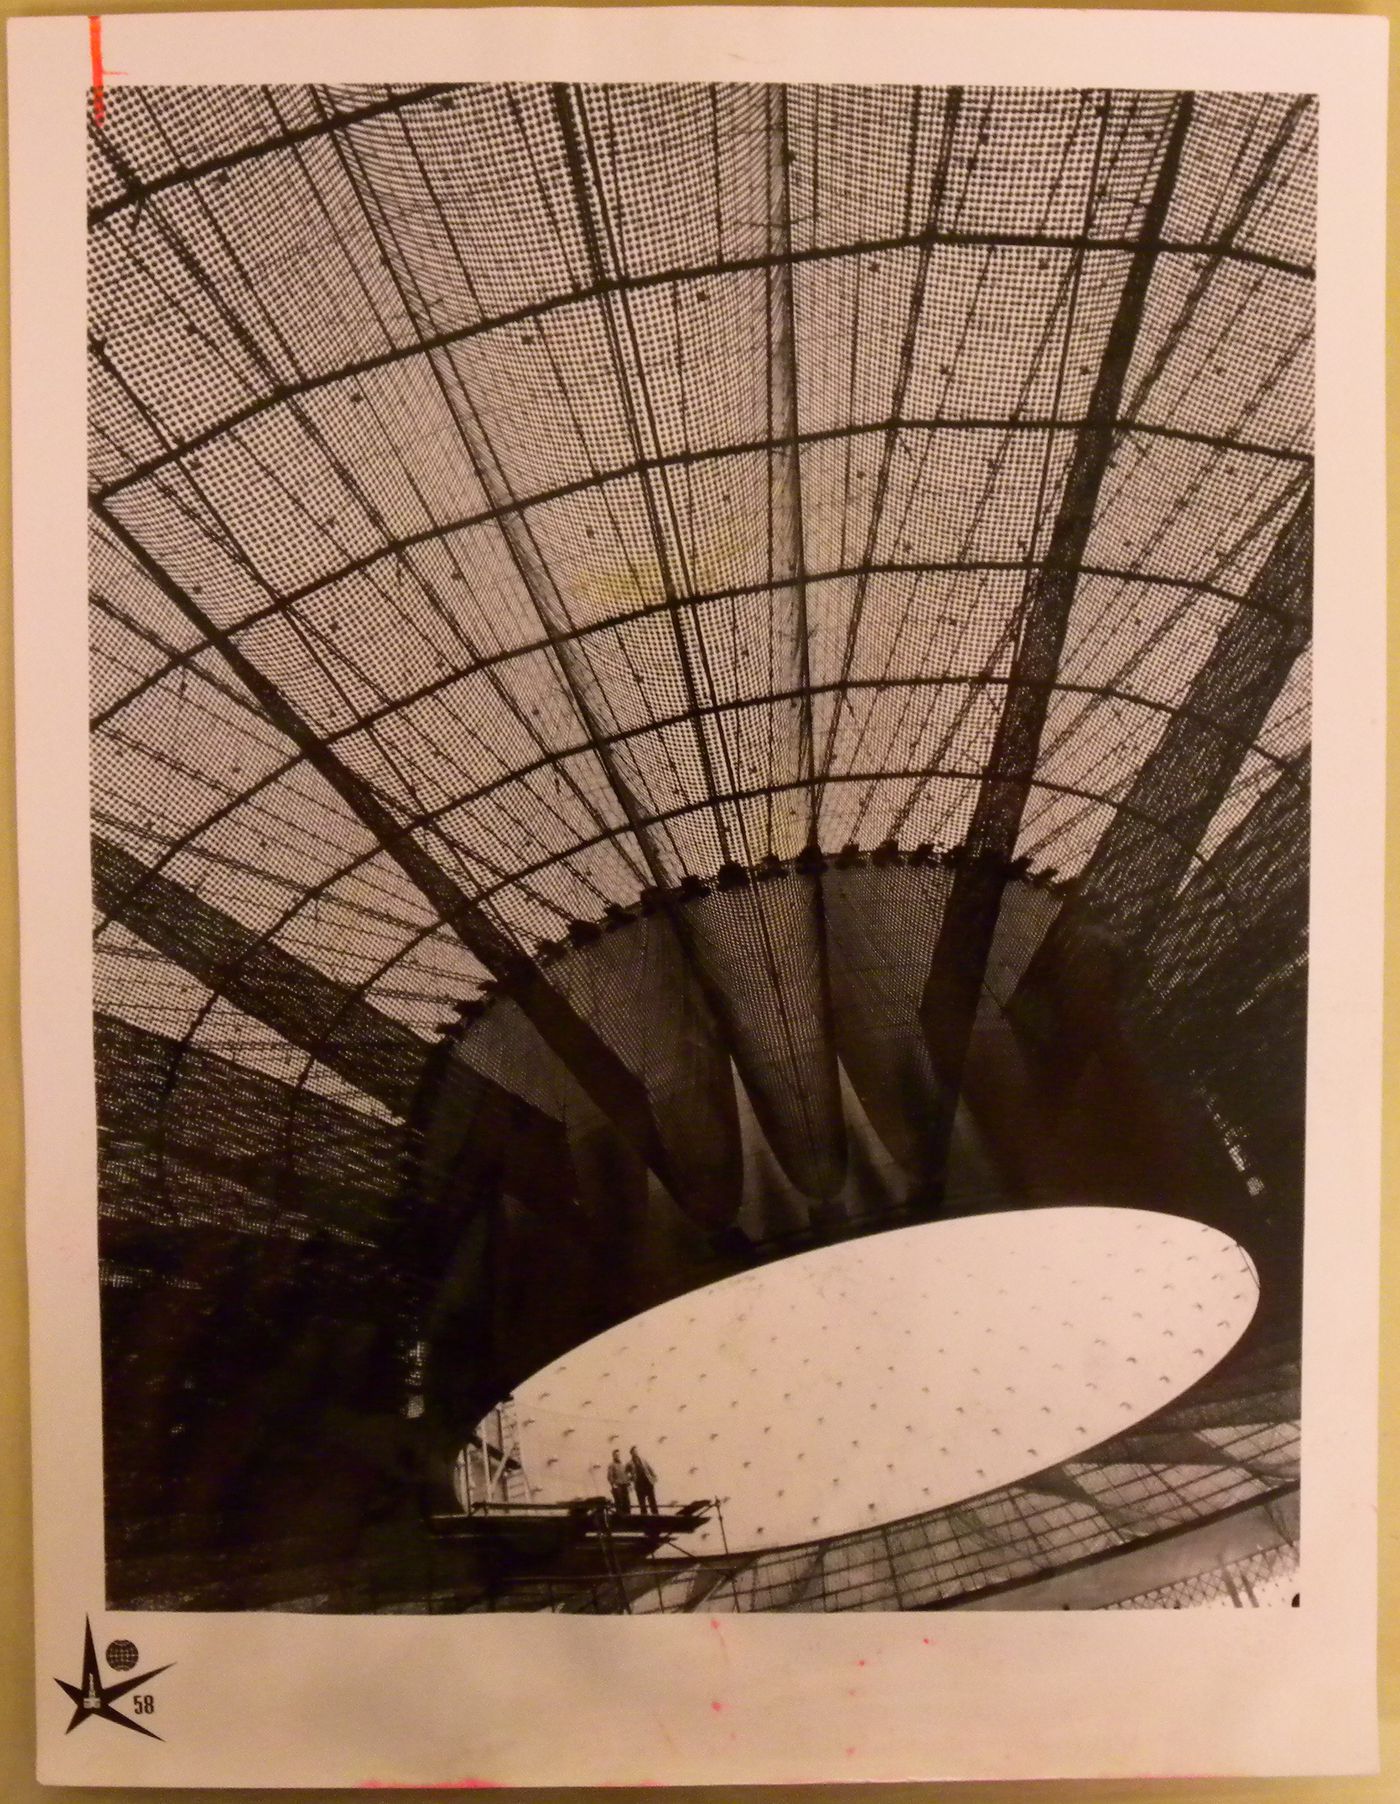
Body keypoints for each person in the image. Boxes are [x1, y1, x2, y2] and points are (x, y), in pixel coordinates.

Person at [629, 1445, 659, 1514]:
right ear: (631, 1453)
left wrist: (654, 1477)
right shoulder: (630, 1463)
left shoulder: (643, 1460)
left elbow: (649, 1468)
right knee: (642, 1502)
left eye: (636, 1451)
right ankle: (644, 1515)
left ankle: (655, 1514)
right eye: (634, 1451)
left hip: (647, 1482)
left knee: (652, 1499)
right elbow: (626, 1474)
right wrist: (631, 1479)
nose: (636, 1452)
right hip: (639, 1484)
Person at [606, 1447, 631, 1515]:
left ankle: (628, 1518)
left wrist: (628, 1484)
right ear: (613, 1456)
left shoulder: (623, 1465)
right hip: (617, 1487)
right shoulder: (611, 1465)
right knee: (620, 1503)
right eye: (616, 1455)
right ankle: (620, 1519)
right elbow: (609, 1477)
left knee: (627, 1502)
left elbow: (626, 1475)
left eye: (618, 1455)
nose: (617, 1456)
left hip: (624, 1486)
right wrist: (614, 1485)